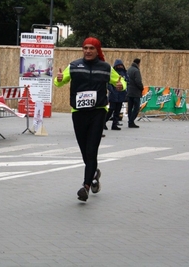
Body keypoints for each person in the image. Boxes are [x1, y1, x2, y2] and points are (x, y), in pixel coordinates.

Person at [54, 37, 126, 202]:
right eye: (85, 48)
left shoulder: (105, 68)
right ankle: (94, 173)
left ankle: (86, 186)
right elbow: (59, 82)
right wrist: (58, 79)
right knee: (84, 149)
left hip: (98, 112)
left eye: (91, 48)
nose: (87, 51)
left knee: (91, 149)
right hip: (78, 112)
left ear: (97, 50)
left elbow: (120, 82)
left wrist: (122, 86)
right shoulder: (74, 66)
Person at [104, 59, 128, 131]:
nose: (120, 66)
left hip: (121, 95)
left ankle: (114, 124)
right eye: (118, 65)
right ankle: (103, 122)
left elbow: (127, 82)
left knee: (117, 111)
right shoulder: (113, 74)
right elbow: (108, 83)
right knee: (111, 109)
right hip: (113, 95)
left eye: (121, 65)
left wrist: (125, 91)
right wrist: (112, 90)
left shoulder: (125, 74)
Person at [126, 58, 143, 128]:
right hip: (135, 92)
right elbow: (138, 81)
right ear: (138, 63)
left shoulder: (129, 70)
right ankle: (131, 121)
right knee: (136, 108)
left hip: (129, 91)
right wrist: (141, 88)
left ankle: (130, 121)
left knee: (130, 107)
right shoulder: (136, 71)